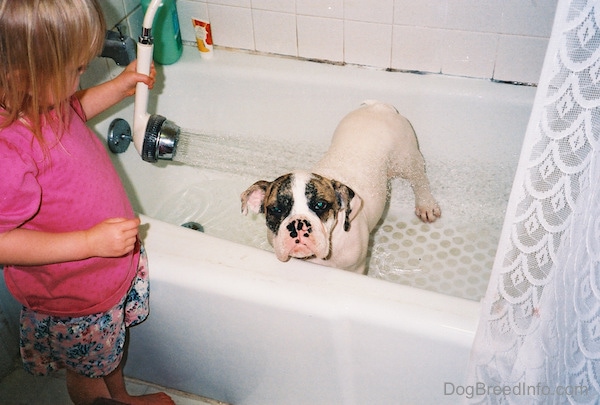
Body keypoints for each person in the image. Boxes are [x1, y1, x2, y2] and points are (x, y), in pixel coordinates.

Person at [0, 1, 174, 404]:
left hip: (101, 276)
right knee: (85, 373)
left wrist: (118, 87)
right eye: (76, 69)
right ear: (26, 75)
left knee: (105, 354)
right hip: (73, 298)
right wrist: (89, 244)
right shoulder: (7, 150)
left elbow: (72, 110)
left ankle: (121, 396)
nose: (83, 74)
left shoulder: (36, 100)